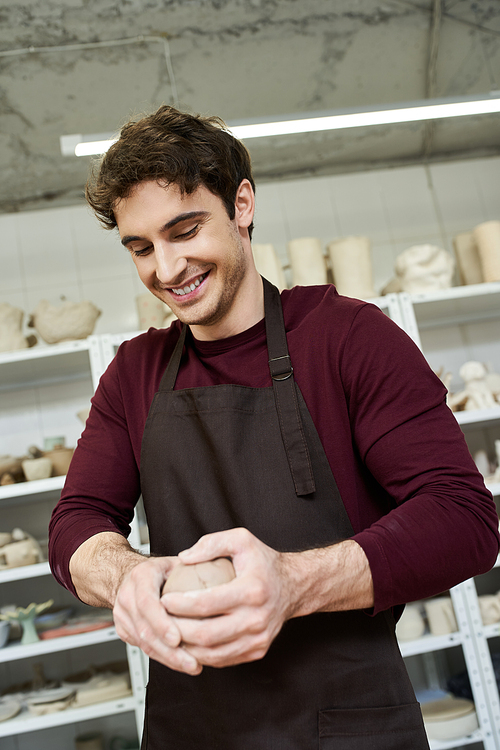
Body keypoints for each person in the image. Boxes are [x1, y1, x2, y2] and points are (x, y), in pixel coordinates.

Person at [49, 105, 499, 749]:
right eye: (141, 248)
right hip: (192, 730)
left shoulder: (350, 337)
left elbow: (465, 521)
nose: (167, 269)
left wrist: (292, 583)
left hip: (349, 727)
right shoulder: (133, 373)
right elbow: (76, 522)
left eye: (185, 230)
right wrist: (126, 577)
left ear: (242, 205)